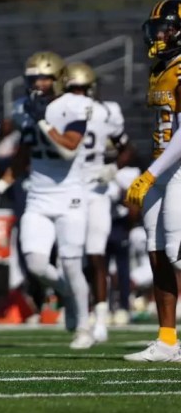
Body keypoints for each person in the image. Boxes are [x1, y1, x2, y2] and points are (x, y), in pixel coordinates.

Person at [12, 51, 94, 350]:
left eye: (44, 78)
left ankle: (84, 326)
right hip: (38, 196)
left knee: (72, 265)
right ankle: (69, 295)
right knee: (35, 264)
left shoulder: (75, 104)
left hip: (70, 195)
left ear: (59, 79)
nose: (38, 84)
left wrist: (42, 121)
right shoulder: (23, 108)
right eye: (33, 79)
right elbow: (23, 153)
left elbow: (69, 149)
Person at [124, 0, 181, 361]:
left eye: (166, 27)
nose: (159, 34)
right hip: (163, 168)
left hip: (176, 170)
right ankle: (167, 341)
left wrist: (149, 174)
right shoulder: (161, 68)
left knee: (177, 252)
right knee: (158, 253)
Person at [62, 62, 135, 343]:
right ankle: (79, 312)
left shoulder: (107, 112)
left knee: (96, 253)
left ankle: (101, 320)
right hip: (68, 189)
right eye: (73, 89)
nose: (78, 93)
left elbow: (126, 146)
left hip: (97, 189)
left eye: (81, 88)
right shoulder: (60, 111)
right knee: (71, 256)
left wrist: (114, 167)